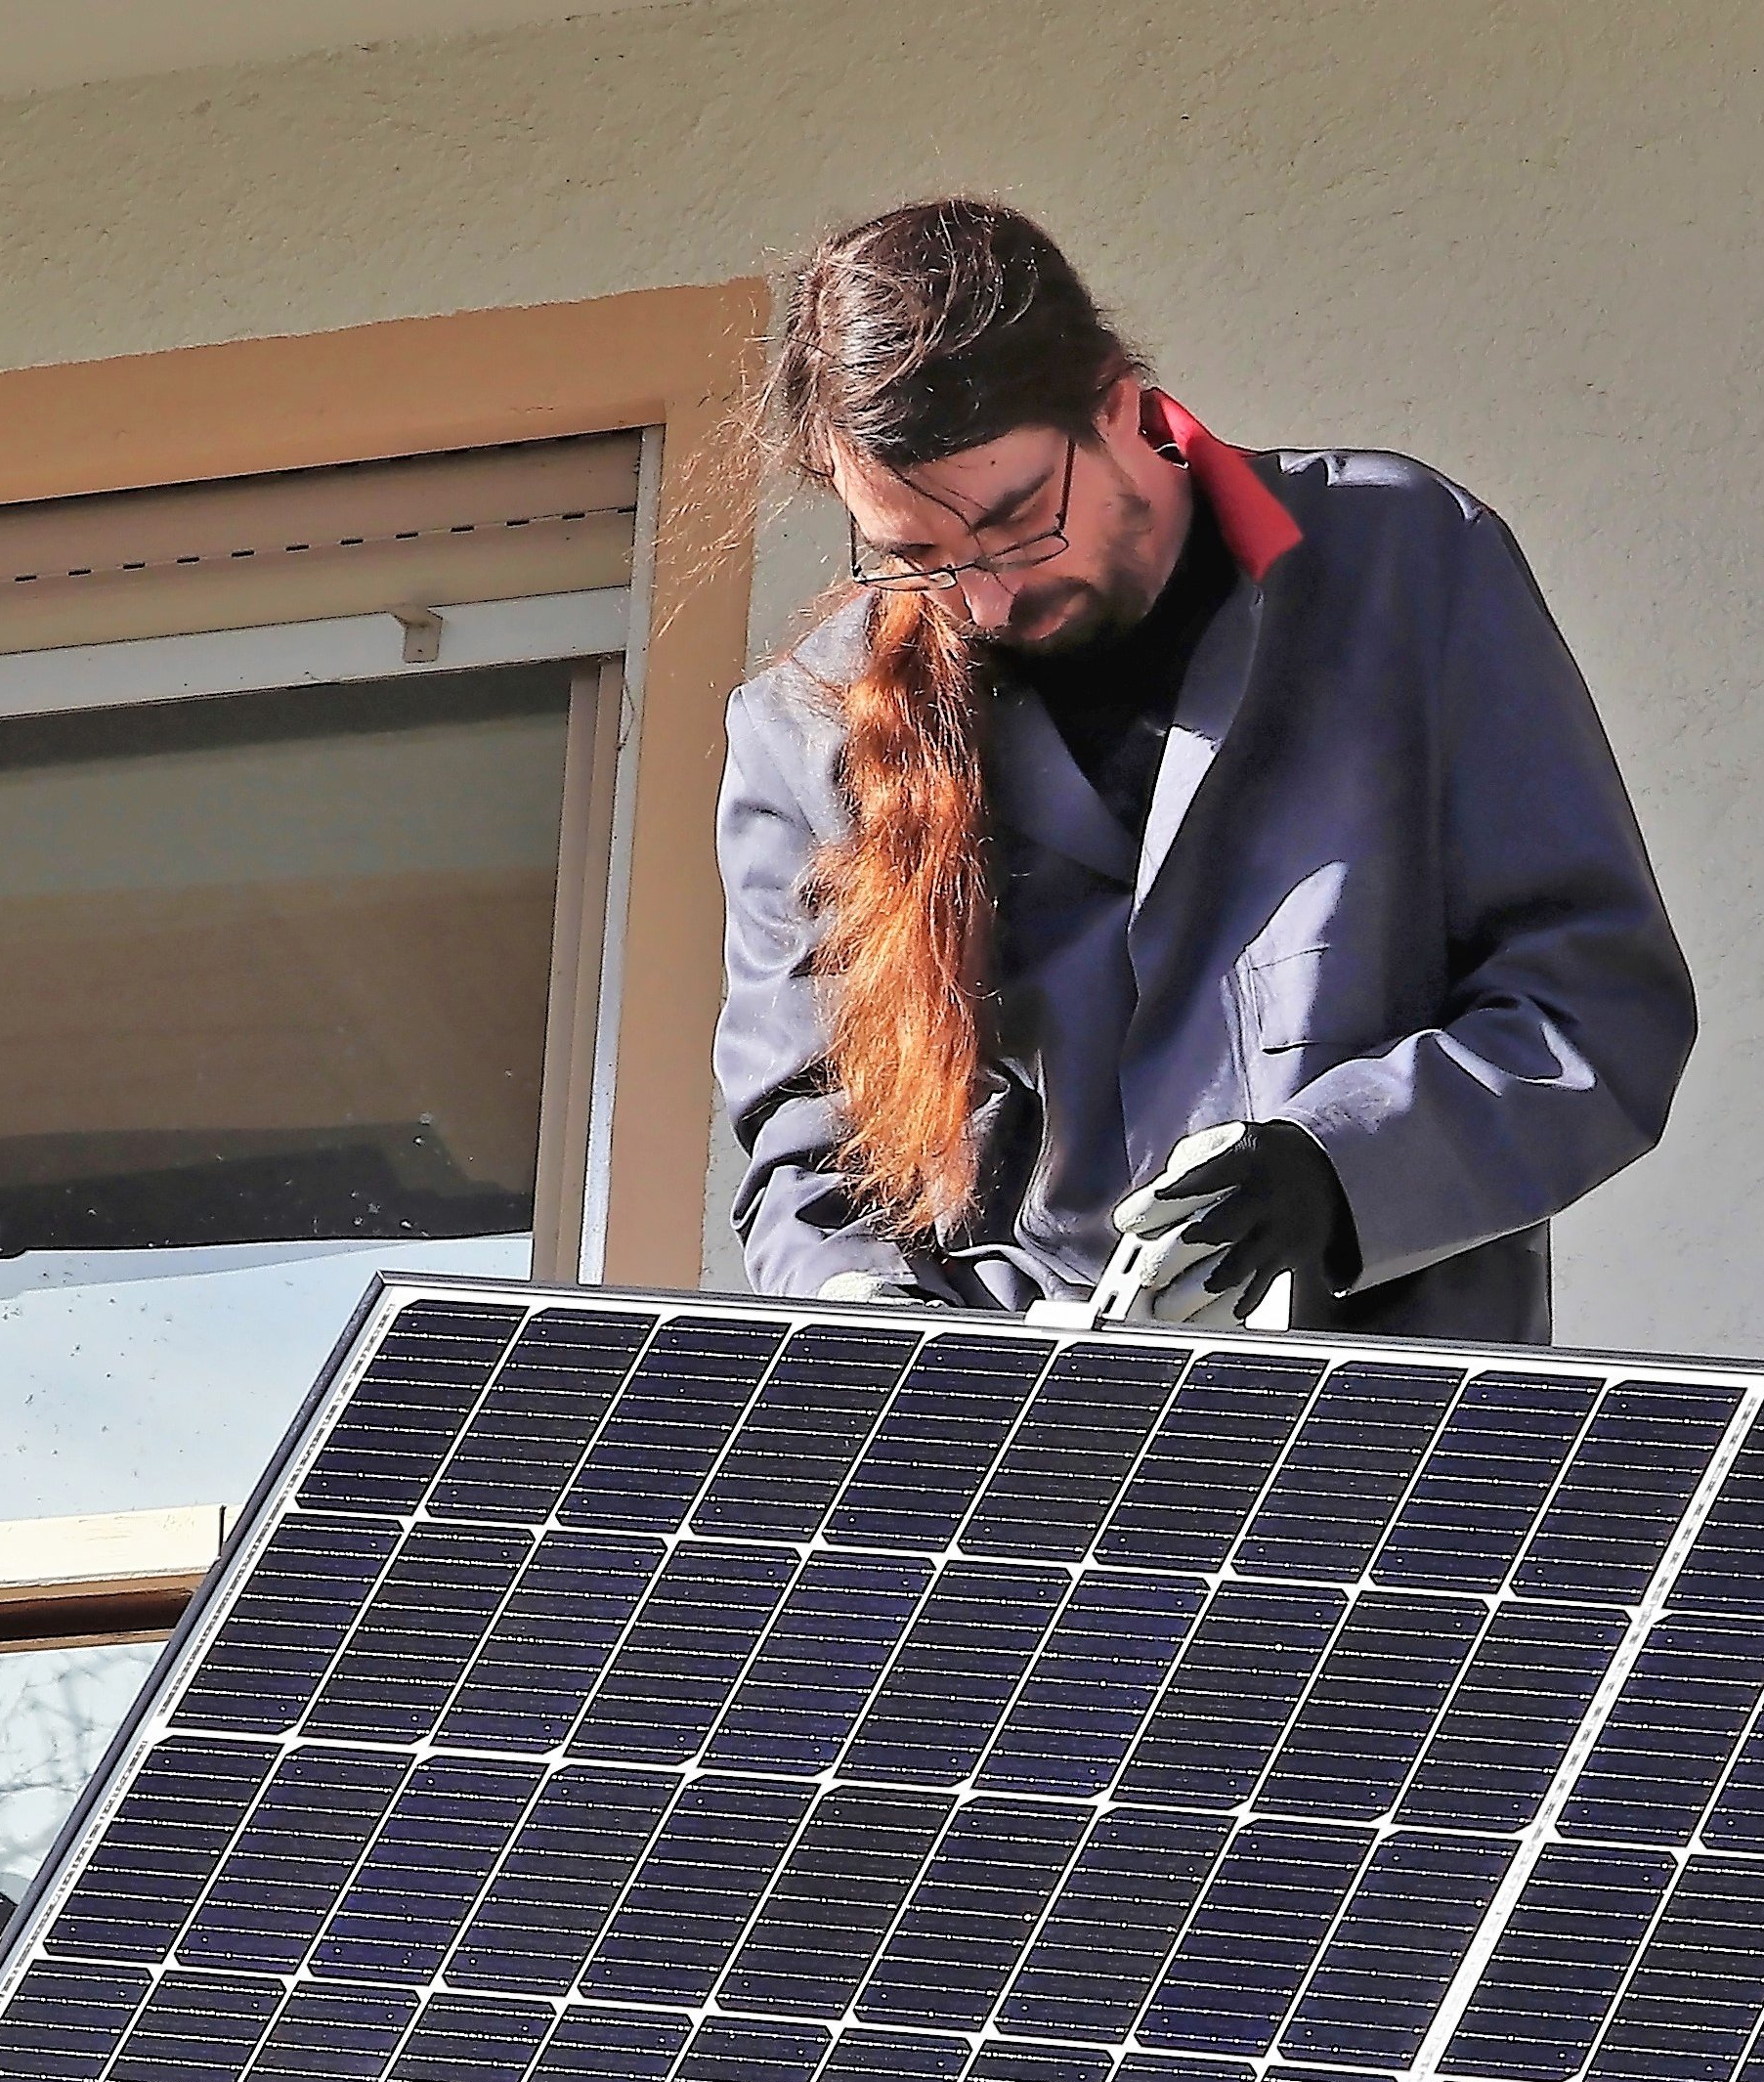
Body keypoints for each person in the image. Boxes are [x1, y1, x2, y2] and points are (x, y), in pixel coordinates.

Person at [719, 198, 1692, 1342]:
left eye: (1020, 523)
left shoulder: (1405, 563)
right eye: (916, 556)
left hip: (1370, 1422)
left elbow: (1596, 1003)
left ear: (1118, 403)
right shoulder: (804, 726)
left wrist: (1332, 1168)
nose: (985, 600)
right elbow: (809, 1142)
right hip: (996, 1425)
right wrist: (865, 1316)